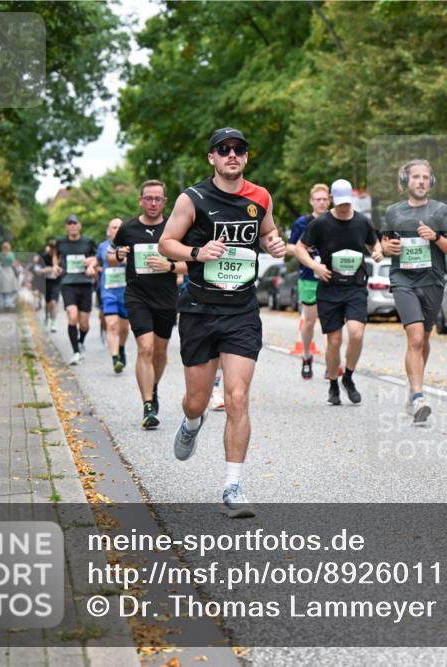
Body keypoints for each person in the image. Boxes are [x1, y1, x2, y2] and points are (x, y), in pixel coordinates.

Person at [158, 127, 286, 517]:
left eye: (239, 149)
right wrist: (198, 251)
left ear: (246, 156)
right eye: (223, 149)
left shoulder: (260, 197)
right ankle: (192, 423)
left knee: (237, 397)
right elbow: (167, 243)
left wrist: (274, 244)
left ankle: (232, 486)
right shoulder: (192, 198)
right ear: (211, 157)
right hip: (199, 308)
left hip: (241, 311)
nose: (232, 155)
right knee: (196, 401)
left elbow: (268, 233)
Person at [381, 159, 447, 424]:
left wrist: (436, 237)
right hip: (403, 279)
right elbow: (383, 245)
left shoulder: (441, 211)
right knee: (414, 338)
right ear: (406, 182)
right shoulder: (393, 212)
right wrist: (386, 250)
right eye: (416, 177)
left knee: (424, 340)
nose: (421, 181)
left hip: (432, 281)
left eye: (426, 177)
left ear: (431, 181)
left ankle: (414, 389)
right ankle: (418, 397)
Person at [294, 178, 384, 406]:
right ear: (334, 200)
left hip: (355, 286)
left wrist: (377, 253)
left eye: (348, 203)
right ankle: (333, 383)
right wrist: (315, 266)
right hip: (330, 287)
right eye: (340, 203)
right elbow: (299, 248)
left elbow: (374, 244)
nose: (345, 208)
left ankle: (349, 377)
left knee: (356, 334)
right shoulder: (321, 224)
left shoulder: (362, 221)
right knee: (334, 341)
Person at [112, 179, 187, 429]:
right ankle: (147, 406)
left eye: (158, 199)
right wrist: (119, 255)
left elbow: (194, 263)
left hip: (166, 298)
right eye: (148, 198)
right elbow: (112, 255)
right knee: (145, 347)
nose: (153, 203)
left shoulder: (174, 229)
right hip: (137, 297)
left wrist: (170, 266)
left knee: (160, 351)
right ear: (140, 201)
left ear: (165, 202)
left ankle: (152, 386)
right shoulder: (128, 228)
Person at [286, 183, 331, 379]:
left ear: (330, 200)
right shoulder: (302, 223)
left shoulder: (335, 220)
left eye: (324, 199)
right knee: (310, 321)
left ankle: (332, 362)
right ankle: (306, 356)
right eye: (318, 199)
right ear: (312, 201)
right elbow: (290, 247)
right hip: (308, 277)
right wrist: (305, 254)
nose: (321, 202)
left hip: (331, 277)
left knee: (332, 323)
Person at [54, 214, 99, 365]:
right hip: (68, 283)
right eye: (70, 223)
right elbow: (56, 255)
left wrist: (91, 264)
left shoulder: (88, 241)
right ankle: (76, 352)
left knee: (84, 324)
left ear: (80, 225)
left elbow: (97, 257)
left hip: (85, 284)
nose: (72, 226)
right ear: (66, 227)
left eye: (75, 223)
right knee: (72, 317)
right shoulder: (61, 242)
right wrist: (56, 266)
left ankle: (80, 341)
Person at [97, 218, 131, 375]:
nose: (117, 229)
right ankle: (115, 358)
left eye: (120, 227)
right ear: (108, 231)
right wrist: (92, 268)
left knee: (124, 328)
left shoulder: (130, 246)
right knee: (111, 324)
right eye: (114, 227)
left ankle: (122, 348)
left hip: (126, 292)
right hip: (108, 291)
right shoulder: (103, 247)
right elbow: (97, 262)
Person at [39, 239, 60, 332]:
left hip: (56, 282)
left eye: (55, 249)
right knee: (47, 303)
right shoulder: (44, 256)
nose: (53, 251)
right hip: (46, 281)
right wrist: (45, 270)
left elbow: (63, 269)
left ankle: (53, 323)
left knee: (53, 303)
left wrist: (58, 270)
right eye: (51, 249)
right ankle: (47, 315)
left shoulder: (60, 257)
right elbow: (38, 270)